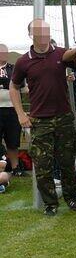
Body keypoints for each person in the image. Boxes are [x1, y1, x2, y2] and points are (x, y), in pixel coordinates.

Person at [9, 19, 76, 215]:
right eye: (39, 32)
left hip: (64, 119)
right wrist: (21, 114)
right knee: (43, 166)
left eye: (46, 31)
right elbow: (14, 86)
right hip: (39, 121)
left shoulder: (61, 54)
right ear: (31, 35)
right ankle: (50, 204)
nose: (43, 35)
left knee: (67, 162)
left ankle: (72, 199)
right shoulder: (23, 61)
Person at [0, 43, 22, 177]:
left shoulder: (14, 69)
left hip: (12, 108)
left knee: (13, 141)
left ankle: (15, 167)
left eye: (5, 52)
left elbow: (22, 86)